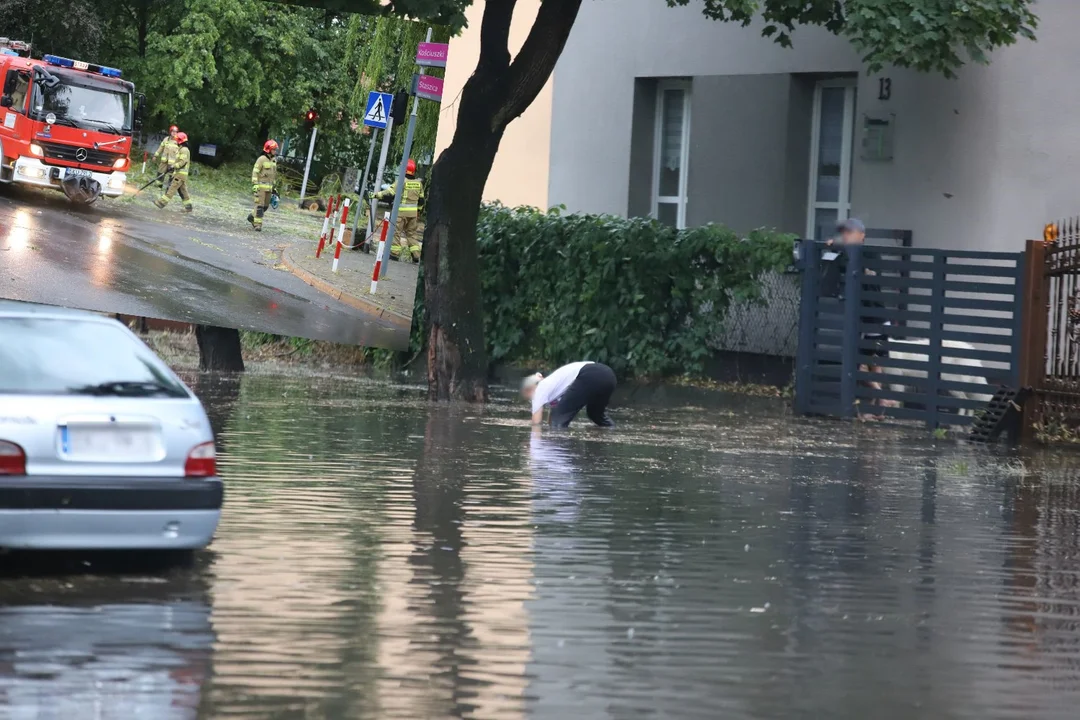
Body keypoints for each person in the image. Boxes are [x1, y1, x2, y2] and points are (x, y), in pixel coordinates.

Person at [827, 218, 897, 413]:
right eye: (844, 233)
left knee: (863, 364)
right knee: (872, 363)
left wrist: (839, 249)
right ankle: (881, 405)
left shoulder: (869, 254)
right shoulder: (846, 254)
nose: (846, 236)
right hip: (869, 318)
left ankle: (883, 398)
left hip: (873, 319)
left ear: (862, 235)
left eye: (850, 232)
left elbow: (868, 275)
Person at [521, 361, 617, 428]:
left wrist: (534, 448)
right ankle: (612, 432)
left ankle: (560, 448)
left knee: (558, 421)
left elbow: (536, 423)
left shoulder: (540, 388)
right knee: (595, 415)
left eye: (528, 396)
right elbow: (556, 410)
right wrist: (551, 424)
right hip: (608, 375)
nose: (531, 399)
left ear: (530, 389)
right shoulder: (553, 385)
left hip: (589, 374)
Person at [373, 158, 424, 262]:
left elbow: (389, 192)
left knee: (395, 233)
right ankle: (416, 255)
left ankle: (394, 254)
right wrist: (418, 211)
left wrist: (375, 195)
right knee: (411, 234)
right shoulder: (419, 183)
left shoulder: (401, 181)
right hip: (413, 215)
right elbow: (422, 201)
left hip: (401, 214)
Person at [153, 132, 192, 212]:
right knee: (183, 191)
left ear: (180, 141)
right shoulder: (181, 149)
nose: (176, 141)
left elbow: (182, 162)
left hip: (180, 174)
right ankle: (188, 207)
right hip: (180, 174)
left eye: (177, 140)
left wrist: (173, 166)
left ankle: (161, 203)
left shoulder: (184, 150)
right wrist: (173, 168)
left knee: (171, 188)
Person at [248, 139, 278, 232]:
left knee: (265, 206)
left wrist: (274, 188)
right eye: (274, 149)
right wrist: (255, 184)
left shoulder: (274, 160)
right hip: (260, 188)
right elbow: (255, 172)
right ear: (268, 149)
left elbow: (273, 175)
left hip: (269, 188)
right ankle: (257, 225)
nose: (275, 151)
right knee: (260, 206)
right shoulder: (261, 159)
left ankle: (252, 216)